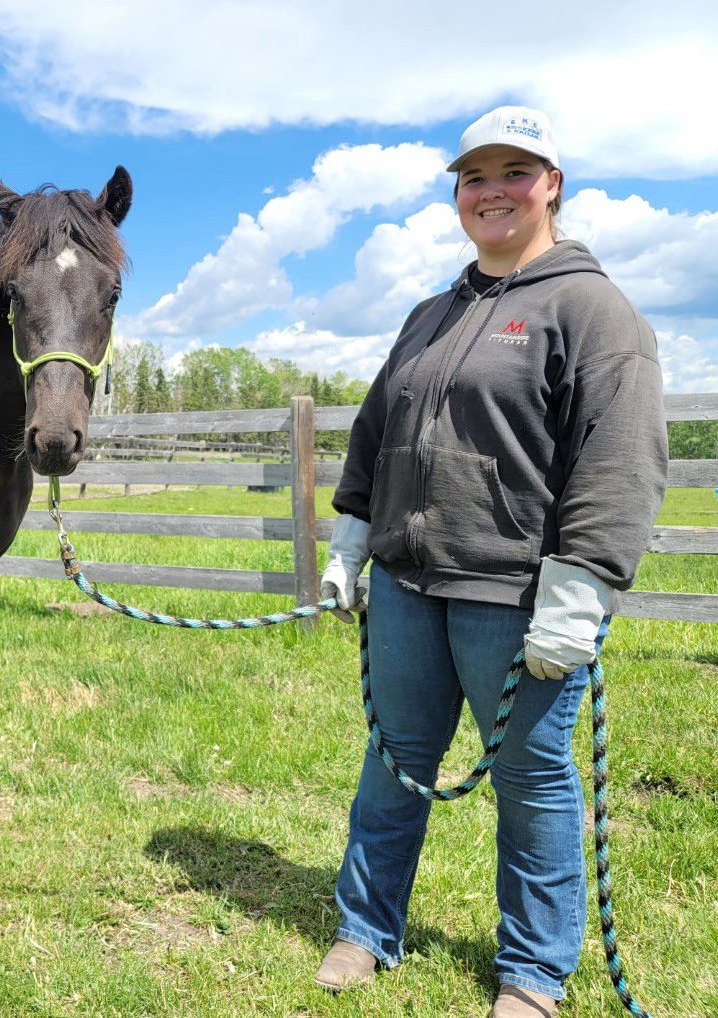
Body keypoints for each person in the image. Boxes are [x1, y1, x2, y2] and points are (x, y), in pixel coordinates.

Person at [314, 106, 668, 1018]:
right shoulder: (430, 313)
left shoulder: (591, 310)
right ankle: (364, 928)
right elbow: (374, 431)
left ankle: (532, 973)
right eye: (474, 177)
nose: (491, 191)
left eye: (514, 172)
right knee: (393, 759)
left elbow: (619, 458)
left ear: (551, 184)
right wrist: (352, 536)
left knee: (530, 781)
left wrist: (580, 585)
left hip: (513, 596)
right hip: (405, 583)